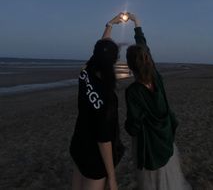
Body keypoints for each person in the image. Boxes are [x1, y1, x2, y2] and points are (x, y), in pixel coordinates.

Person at [125, 13, 192, 190]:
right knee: (169, 180)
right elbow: (144, 49)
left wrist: (128, 126)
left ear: (131, 66)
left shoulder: (133, 91)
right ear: (147, 62)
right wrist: (136, 23)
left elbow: (133, 125)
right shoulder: (157, 78)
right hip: (165, 139)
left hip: (149, 148)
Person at [70, 13, 125, 190]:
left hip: (79, 146)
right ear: (114, 62)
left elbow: (99, 54)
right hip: (94, 159)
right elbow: (104, 140)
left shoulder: (85, 74)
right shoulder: (107, 97)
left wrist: (110, 24)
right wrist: (112, 177)